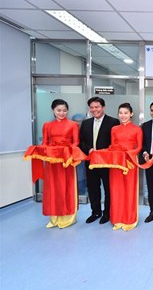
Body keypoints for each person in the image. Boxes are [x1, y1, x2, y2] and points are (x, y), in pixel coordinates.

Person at [24, 99, 83, 228]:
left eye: (64, 110)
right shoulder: (47, 125)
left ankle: (68, 218)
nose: (62, 113)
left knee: (67, 187)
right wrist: (44, 150)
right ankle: (54, 218)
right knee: (52, 188)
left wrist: (66, 152)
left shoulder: (73, 124)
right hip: (52, 161)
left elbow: (76, 143)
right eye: (59, 110)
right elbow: (45, 142)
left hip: (66, 161)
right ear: (53, 111)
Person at [79, 97, 120, 224]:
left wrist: (106, 151)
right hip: (91, 161)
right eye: (92, 107)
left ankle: (107, 213)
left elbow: (116, 142)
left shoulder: (113, 122)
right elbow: (81, 142)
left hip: (107, 162)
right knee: (93, 188)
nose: (94, 110)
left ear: (103, 107)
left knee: (108, 188)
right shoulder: (85, 123)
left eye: (97, 107)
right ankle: (95, 212)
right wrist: (89, 149)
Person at [108, 103, 143, 231]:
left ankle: (129, 219)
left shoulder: (137, 129)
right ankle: (117, 219)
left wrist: (128, 153)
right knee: (116, 190)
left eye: (126, 113)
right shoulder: (114, 129)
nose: (123, 116)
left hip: (130, 162)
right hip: (116, 163)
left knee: (129, 189)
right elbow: (112, 146)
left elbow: (139, 147)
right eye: (121, 113)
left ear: (131, 114)